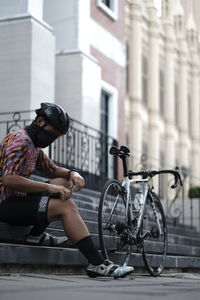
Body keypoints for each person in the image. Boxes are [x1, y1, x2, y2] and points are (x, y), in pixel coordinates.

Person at [0, 102, 134, 278]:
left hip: (17, 200)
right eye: (51, 135)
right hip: (4, 204)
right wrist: (49, 187)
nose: (51, 140)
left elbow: (53, 169)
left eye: (55, 138)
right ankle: (97, 263)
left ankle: (35, 236)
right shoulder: (20, 140)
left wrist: (73, 173)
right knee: (66, 206)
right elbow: (8, 179)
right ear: (40, 121)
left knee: (63, 182)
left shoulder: (33, 146)